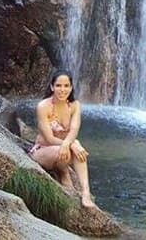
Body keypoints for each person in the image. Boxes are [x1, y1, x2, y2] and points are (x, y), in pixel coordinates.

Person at [29, 69, 96, 208]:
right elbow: (48, 137)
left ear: (71, 88)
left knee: (78, 148)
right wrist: (70, 145)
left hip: (62, 147)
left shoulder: (74, 105)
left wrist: (71, 143)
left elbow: (74, 130)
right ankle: (63, 171)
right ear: (52, 87)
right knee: (73, 146)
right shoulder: (43, 106)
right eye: (58, 85)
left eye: (66, 86)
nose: (62, 89)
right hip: (44, 151)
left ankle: (86, 192)